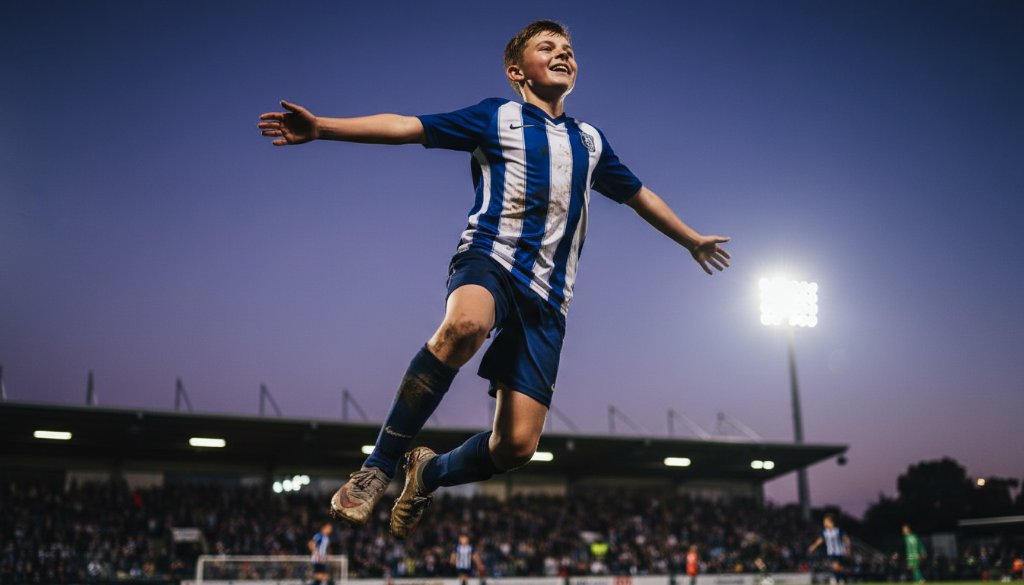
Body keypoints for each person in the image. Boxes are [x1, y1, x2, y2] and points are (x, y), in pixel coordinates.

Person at [258, 19, 731, 539]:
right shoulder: (496, 116)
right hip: (491, 259)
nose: (562, 53)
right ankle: (378, 465)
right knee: (464, 326)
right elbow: (408, 127)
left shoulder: (590, 141)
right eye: (546, 47)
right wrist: (323, 127)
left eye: (568, 49)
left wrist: (691, 239)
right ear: (516, 72)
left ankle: (428, 472)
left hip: (550, 298)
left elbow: (639, 195)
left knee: (517, 448)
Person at [808, 514, 851, 583]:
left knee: (836, 567)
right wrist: (813, 547)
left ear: (831, 522)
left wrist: (848, 549)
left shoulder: (838, 530)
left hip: (840, 552)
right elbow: (820, 540)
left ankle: (842, 576)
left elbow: (846, 539)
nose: (824, 523)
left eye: (826, 521)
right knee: (835, 566)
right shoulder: (825, 532)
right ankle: (839, 580)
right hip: (831, 552)